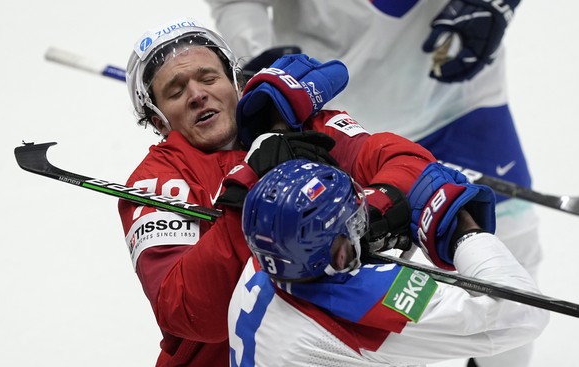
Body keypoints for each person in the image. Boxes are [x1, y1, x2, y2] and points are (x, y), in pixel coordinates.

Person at [206, 1, 541, 366]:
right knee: (340, 265)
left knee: (515, 236)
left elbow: (514, 311)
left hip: (454, 98)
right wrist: (259, 55)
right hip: (343, 112)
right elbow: (518, 315)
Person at [118, 17, 443, 366]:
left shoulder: (299, 123)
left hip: (337, 343)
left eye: (209, 78)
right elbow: (188, 311)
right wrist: (251, 187)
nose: (197, 95)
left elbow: (403, 161)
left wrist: (372, 211)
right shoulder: (155, 181)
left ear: (235, 81)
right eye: (176, 91)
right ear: (157, 120)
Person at [230, 158, 549, 367]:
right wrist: (463, 230)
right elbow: (521, 315)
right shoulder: (365, 307)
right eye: (353, 221)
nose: (361, 221)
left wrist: (384, 241)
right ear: (337, 255)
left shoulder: (262, 261)